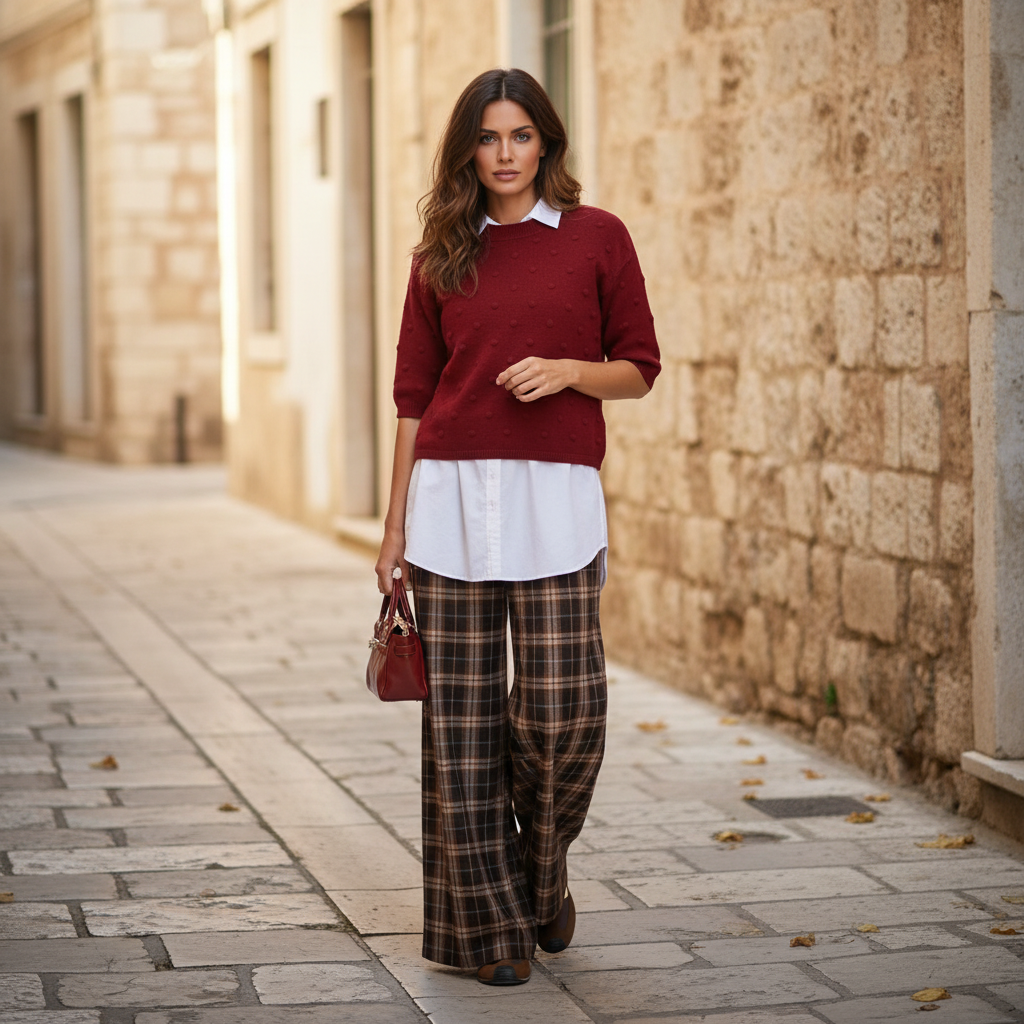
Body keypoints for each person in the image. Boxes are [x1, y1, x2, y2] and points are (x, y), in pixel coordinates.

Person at [374, 67, 660, 987]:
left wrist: (571, 371)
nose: (505, 154)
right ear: (469, 148)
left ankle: (543, 874)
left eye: (521, 137)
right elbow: (412, 399)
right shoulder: (438, 255)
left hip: (557, 509)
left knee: (561, 715)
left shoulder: (597, 238)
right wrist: (391, 533)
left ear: (547, 143)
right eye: (489, 138)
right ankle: (485, 931)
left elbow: (641, 367)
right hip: (449, 510)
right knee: (460, 729)